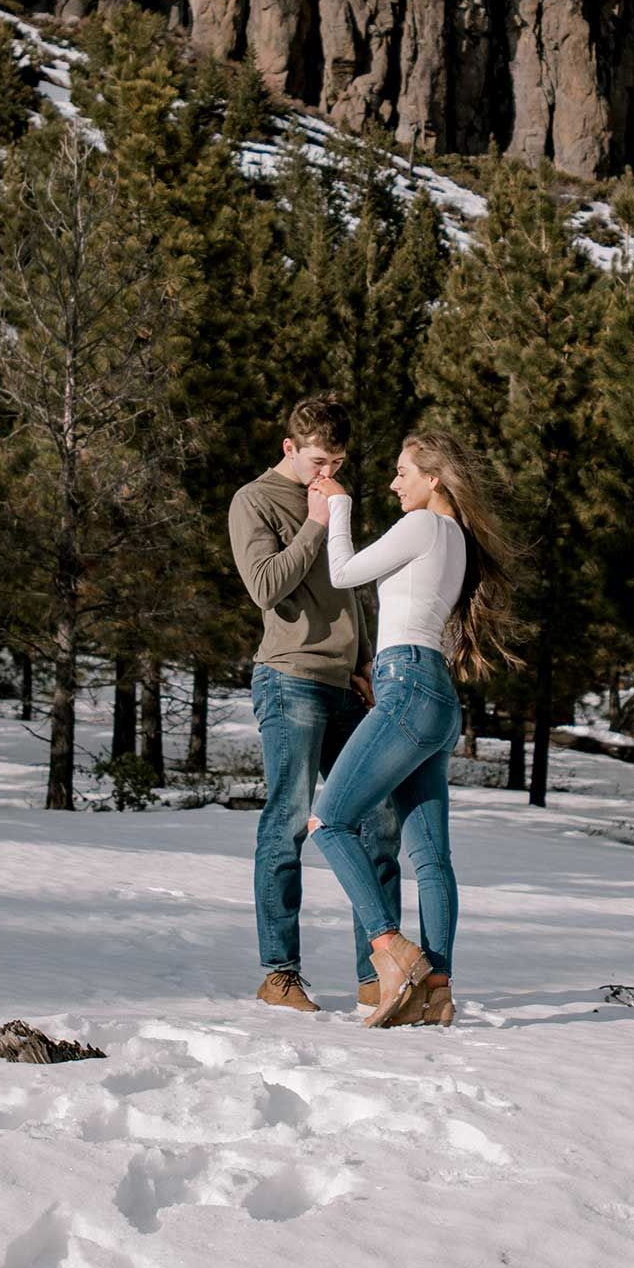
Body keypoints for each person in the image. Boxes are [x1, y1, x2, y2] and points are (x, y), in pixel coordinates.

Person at [306, 428, 515, 1028]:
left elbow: (343, 572)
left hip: (408, 685)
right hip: (436, 693)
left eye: (403, 472)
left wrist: (339, 505)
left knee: (331, 820)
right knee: (432, 859)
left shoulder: (423, 526)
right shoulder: (458, 540)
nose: (395, 483)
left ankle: (391, 951)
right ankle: (438, 990)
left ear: (434, 477)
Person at [227, 394, 402, 1013]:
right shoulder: (256, 500)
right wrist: (317, 522)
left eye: (338, 462)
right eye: (318, 461)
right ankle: (280, 975)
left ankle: (376, 976)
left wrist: (364, 664)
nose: (328, 474)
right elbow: (266, 586)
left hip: (344, 684)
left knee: (377, 821)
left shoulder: (330, 497)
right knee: (289, 819)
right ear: (290, 450)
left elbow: (349, 582)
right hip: (290, 680)